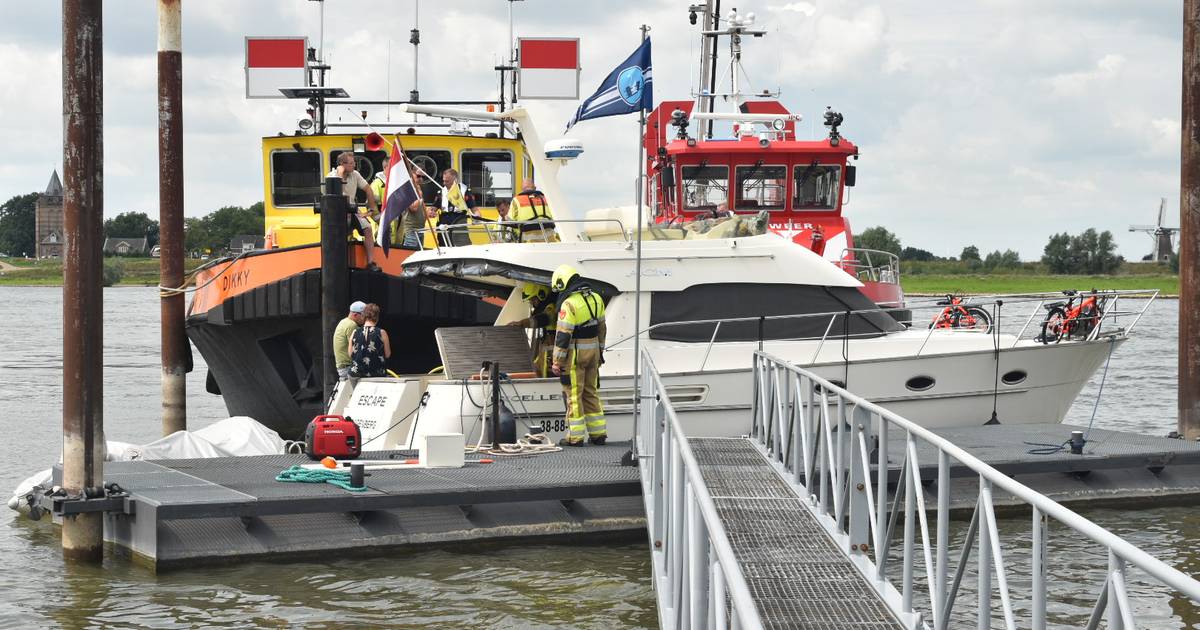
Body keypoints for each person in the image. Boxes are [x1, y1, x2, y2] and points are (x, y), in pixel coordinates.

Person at [550, 265, 607, 446]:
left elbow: (563, 335)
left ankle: (575, 437)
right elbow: (602, 329)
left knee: (573, 394)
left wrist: (557, 362)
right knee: (591, 392)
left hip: (576, 354)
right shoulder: (597, 298)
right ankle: (598, 434)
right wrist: (600, 351)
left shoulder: (569, 304)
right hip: (594, 352)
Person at [329, 152, 381, 270]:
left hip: (352, 209)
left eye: (354, 163)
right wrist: (341, 174)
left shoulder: (355, 174)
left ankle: (370, 262)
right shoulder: (332, 176)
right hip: (338, 212)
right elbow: (336, 194)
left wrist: (371, 209)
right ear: (342, 164)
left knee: (368, 228)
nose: (354, 165)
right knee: (341, 234)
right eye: (351, 163)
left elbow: (368, 189)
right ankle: (338, 264)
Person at [506, 283, 557, 377]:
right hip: (548, 362)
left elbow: (545, 319)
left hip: (554, 364)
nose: (531, 303)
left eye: (533, 299)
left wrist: (521, 323)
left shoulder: (551, 308)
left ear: (541, 295)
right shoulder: (543, 309)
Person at [436, 168, 477, 246]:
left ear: (455, 180)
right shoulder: (441, 191)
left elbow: (475, 209)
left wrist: (476, 217)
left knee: (462, 247)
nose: (444, 183)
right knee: (444, 248)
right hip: (444, 225)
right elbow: (433, 208)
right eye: (443, 181)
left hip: (459, 223)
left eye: (447, 181)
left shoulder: (465, 191)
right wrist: (431, 212)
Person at [349, 303, 391, 378]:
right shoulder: (382, 333)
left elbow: (350, 354)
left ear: (363, 316)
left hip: (356, 373)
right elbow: (387, 354)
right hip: (376, 373)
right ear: (377, 317)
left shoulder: (354, 332)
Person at [510, 178, 558, 243]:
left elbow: (510, 220)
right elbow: (554, 216)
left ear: (522, 189)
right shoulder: (546, 198)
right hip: (549, 238)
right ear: (535, 188)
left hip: (528, 241)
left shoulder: (516, 200)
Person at [333, 300, 366, 381]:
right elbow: (357, 349)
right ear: (355, 315)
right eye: (364, 316)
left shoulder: (343, 322)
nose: (365, 319)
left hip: (342, 368)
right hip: (348, 368)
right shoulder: (352, 325)